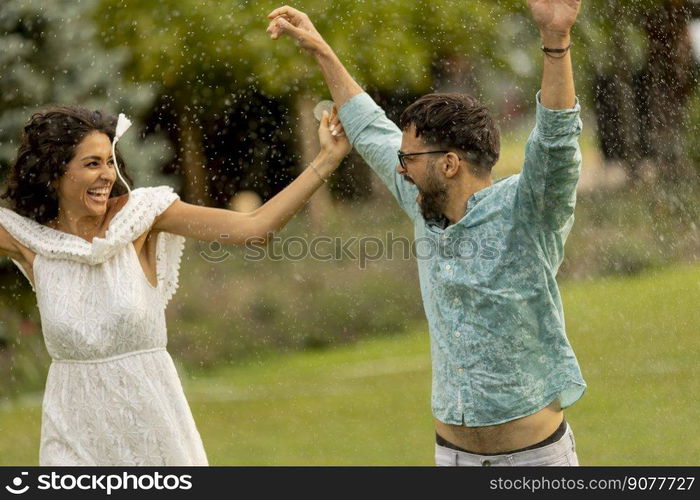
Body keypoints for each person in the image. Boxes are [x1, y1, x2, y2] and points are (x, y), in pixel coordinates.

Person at [267, 0, 586, 466]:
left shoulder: (529, 208)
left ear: (449, 164)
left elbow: (557, 140)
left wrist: (556, 40)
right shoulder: (425, 206)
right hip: (451, 459)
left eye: (409, 159)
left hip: (534, 461)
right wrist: (320, 49)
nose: (399, 169)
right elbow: (368, 125)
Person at [0, 105, 350, 465]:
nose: (107, 174)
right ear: (54, 171)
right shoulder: (32, 242)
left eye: (109, 161)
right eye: (92, 164)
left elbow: (254, 229)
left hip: (154, 437)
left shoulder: (143, 218)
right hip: (71, 440)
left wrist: (327, 158)